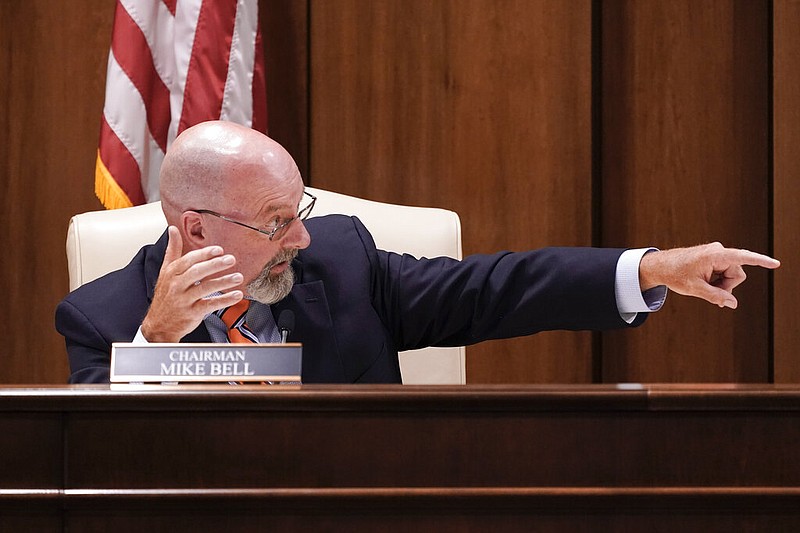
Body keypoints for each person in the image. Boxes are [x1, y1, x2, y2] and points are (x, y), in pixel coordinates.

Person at [55, 121, 780, 384]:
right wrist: (154, 346)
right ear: (197, 231)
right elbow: (91, 469)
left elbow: (494, 288)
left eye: (299, 211)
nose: (301, 237)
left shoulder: (342, 264)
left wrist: (651, 268)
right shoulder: (103, 317)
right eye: (277, 222)